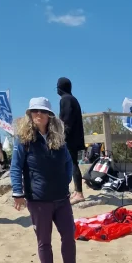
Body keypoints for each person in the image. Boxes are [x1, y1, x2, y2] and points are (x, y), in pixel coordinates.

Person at [11, 97, 85, 263]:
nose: (39, 114)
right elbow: (16, 167)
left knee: (68, 235)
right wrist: (17, 192)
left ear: (49, 115)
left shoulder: (58, 139)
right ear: (29, 114)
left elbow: (69, 162)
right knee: (44, 240)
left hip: (61, 198)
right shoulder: (24, 139)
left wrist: (66, 180)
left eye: (43, 111)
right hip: (38, 199)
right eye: (35, 111)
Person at [56, 77, 85, 205]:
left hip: (70, 137)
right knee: (72, 163)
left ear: (60, 88)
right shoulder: (72, 99)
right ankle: (76, 191)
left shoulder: (65, 99)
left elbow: (66, 120)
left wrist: (62, 136)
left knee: (72, 163)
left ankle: (79, 193)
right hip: (75, 136)